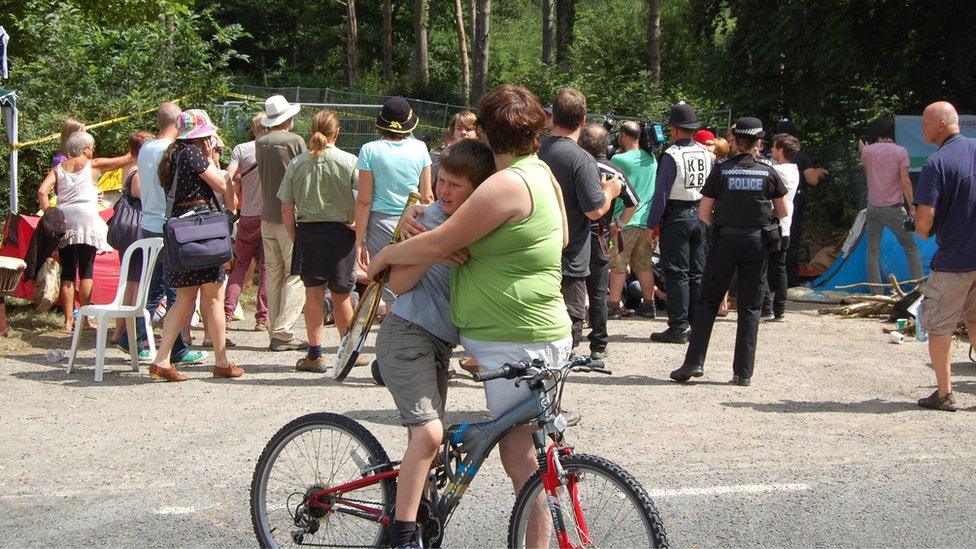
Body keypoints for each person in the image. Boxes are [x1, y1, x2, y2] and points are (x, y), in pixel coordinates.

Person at [367, 84, 570, 548]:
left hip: (510, 333)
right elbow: (559, 239)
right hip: (534, 328)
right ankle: (410, 525)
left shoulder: (503, 184)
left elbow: (439, 242)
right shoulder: (541, 172)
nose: (445, 189)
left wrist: (385, 255)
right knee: (525, 458)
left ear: (488, 130)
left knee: (524, 463)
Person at [375, 139, 495, 548]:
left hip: (440, 345)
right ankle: (402, 533)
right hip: (405, 335)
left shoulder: (484, 223)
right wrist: (434, 250)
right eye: (441, 181)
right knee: (428, 435)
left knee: (428, 441)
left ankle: (418, 517)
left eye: (454, 185)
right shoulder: (426, 219)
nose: (443, 191)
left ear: (479, 190)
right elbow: (398, 283)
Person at [670, 117, 790, 386]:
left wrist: (723, 226)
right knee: (750, 307)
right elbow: (783, 211)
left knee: (708, 301)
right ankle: (743, 373)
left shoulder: (722, 170)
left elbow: (704, 213)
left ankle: (694, 362)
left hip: (724, 241)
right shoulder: (768, 172)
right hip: (757, 243)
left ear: (735, 142)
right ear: (758, 143)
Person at [148, 109, 242, 382]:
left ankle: (162, 359)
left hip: (182, 236)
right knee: (213, 297)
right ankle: (221, 360)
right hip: (202, 234)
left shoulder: (173, 154)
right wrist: (216, 158)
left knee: (184, 298)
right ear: (203, 135)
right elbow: (220, 184)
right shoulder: (193, 153)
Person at [116, 103, 206, 365]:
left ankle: (146, 341)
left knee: (158, 288)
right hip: (169, 226)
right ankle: (160, 344)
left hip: (150, 223)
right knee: (172, 291)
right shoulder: (172, 151)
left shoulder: (146, 148)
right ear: (179, 121)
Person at [539, 87, 621, 350]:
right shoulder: (582, 160)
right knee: (569, 324)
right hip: (569, 257)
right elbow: (594, 210)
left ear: (552, 116)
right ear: (583, 121)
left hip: (536, 252)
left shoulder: (534, 150)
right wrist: (610, 191)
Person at [277, 109, 359, 373]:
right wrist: (357, 224)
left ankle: (315, 353)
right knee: (342, 295)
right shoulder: (349, 161)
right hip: (341, 234)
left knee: (313, 296)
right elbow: (366, 196)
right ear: (337, 132)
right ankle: (348, 351)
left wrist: (295, 236)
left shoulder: (297, 163)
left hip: (309, 234)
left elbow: (286, 207)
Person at [913, 101, 976, 412]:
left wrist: (920, 229)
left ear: (940, 124)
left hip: (955, 260)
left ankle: (944, 393)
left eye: (925, 123)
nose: (922, 129)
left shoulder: (936, 163)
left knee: (940, 325)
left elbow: (925, 220)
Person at [36, 132, 132, 332]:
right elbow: (126, 159)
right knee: (87, 269)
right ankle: (86, 319)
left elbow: (42, 191)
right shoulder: (93, 164)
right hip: (87, 219)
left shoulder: (58, 169)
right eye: (92, 146)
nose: (93, 149)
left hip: (65, 219)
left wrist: (49, 213)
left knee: (68, 271)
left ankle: (68, 321)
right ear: (84, 149)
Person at [354, 96, 434, 309]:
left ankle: (394, 331)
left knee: (387, 284)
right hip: (415, 221)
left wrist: (359, 240)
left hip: (380, 223)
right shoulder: (420, 148)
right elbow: (427, 196)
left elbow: (364, 199)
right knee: (412, 278)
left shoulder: (369, 150)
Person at [646, 102, 712, 344]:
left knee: (676, 273)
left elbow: (661, 193)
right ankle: (697, 323)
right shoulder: (707, 153)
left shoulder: (672, 155)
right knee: (697, 272)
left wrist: (651, 225)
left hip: (678, 215)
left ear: (674, 130)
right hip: (701, 214)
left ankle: (677, 326)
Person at [578, 123, 635, 359]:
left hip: (575, 234)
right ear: (606, 146)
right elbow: (633, 201)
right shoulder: (613, 171)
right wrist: (618, 225)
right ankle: (599, 344)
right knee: (599, 292)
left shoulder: (578, 167)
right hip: (601, 235)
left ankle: (568, 340)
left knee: (569, 288)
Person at [256, 95, 308, 351]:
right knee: (296, 273)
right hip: (290, 215)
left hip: (266, 215)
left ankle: (273, 329)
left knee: (273, 274)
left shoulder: (261, 141)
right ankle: (284, 330)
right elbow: (306, 171)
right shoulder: (295, 141)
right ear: (288, 117)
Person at [859, 118, 924, 288]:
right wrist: (912, 207)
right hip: (893, 208)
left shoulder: (867, 152)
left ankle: (876, 292)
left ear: (876, 134)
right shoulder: (900, 151)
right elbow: (905, 182)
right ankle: (919, 289)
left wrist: (863, 150)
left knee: (872, 251)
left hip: (872, 206)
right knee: (911, 249)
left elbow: (868, 177)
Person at [224, 111, 269, 331]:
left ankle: (227, 314)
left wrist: (234, 195)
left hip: (247, 215)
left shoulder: (241, 149)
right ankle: (262, 319)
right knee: (266, 270)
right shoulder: (276, 149)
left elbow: (228, 176)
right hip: (270, 216)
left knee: (240, 266)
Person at [609, 120, 658, 320]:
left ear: (624, 136)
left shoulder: (619, 160)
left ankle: (612, 305)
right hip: (646, 221)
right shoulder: (652, 159)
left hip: (625, 220)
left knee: (618, 264)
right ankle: (649, 304)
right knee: (644, 265)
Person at [110, 130, 153, 345]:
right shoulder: (137, 171)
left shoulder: (131, 167)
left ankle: (122, 330)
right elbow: (142, 196)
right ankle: (123, 332)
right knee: (133, 283)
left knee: (131, 282)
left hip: (128, 230)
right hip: (135, 230)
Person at [776, 119, 828, 286]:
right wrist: (818, 172)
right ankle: (790, 279)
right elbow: (812, 180)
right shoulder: (800, 156)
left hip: (773, 204)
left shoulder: (772, 156)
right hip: (795, 202)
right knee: (792, 241)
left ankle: (775, 278)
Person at [762, 133, 801, 321]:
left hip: (773, 224)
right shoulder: (794, 169)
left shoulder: (777, 170)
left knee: (763, 266)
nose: (771, 150)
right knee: (779, 268)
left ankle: (766, 306)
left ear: (781, 150)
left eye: (774, 147)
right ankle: (780, 308)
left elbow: (764, 166)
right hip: (785, 226)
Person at [430, 111, 477, 184]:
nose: (464, 132)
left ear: (477, 132)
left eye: (468, 129)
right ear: (453, 132)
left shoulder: (484, 158)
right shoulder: (438, 155)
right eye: (459, 128)